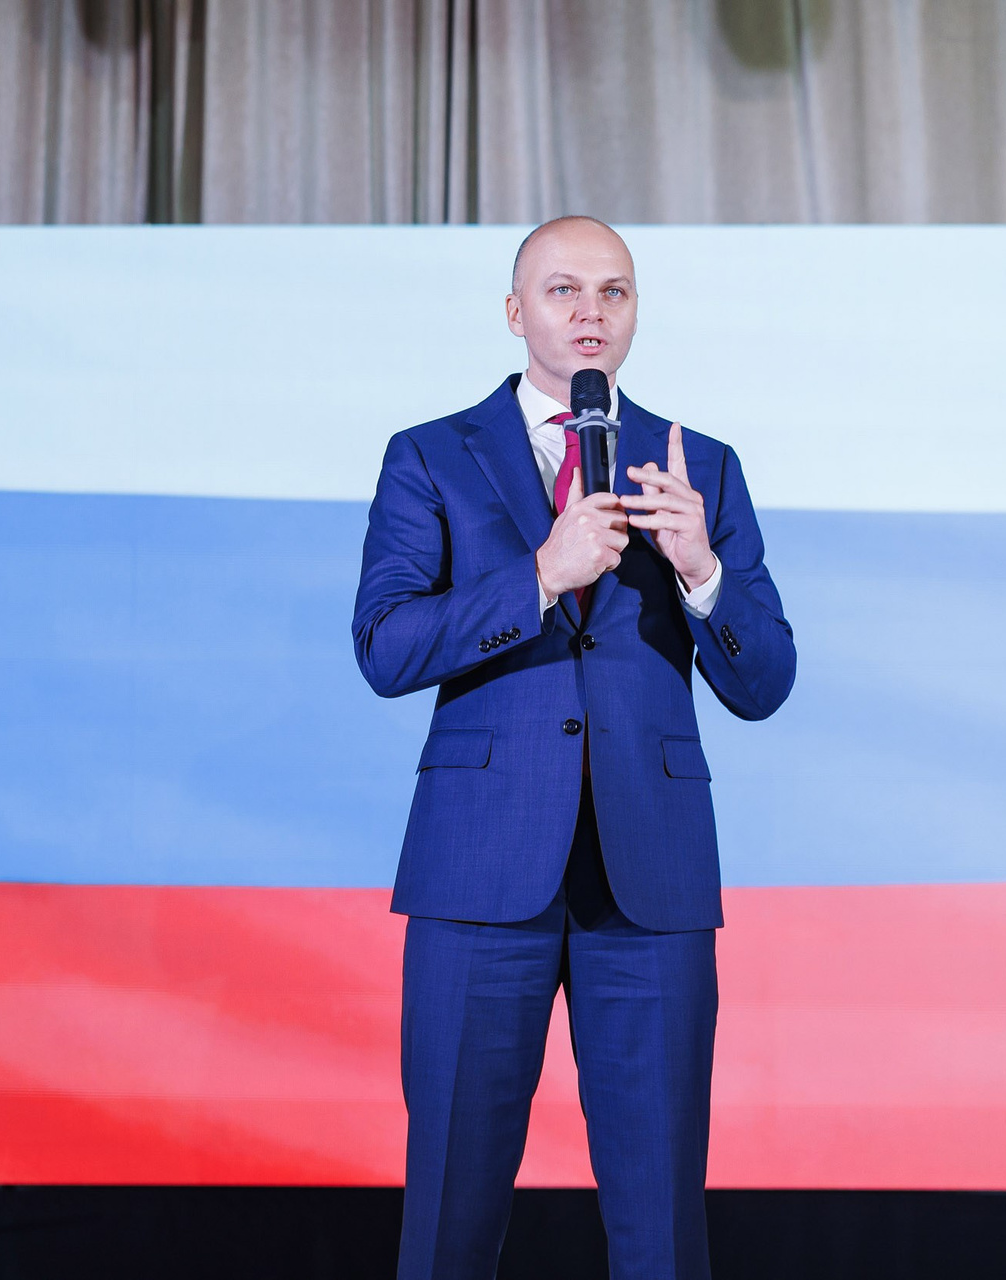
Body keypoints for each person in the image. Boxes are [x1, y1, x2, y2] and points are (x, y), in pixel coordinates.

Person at [352, 216, 797, 1280]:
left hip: (650, 879)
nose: (590, 312)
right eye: (563, 290)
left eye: (613, 291)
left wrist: (700, 571)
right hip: (479, 867)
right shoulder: (431, 455)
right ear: (517, 313)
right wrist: (540, 575)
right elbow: (386, 644)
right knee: (450, 1211)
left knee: (661, 1222)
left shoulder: (699, 468)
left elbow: (766, 681)